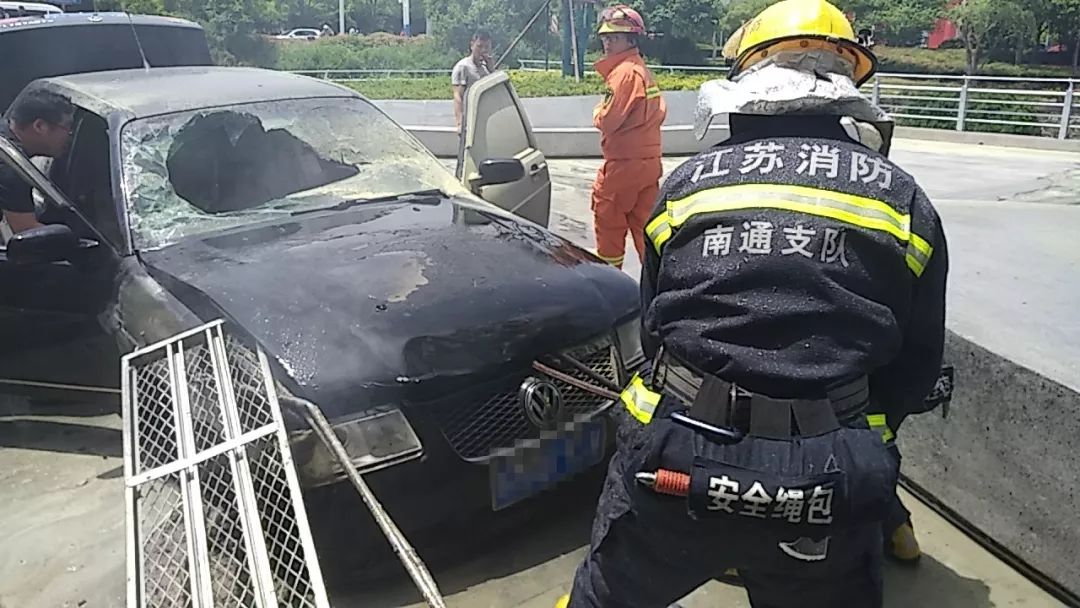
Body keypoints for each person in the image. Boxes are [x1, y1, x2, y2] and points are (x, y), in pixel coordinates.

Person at [556, 0, 948, 606]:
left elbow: (655, 327)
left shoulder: (688, 184)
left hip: (677, 455)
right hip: (827, 475)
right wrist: (855, 433)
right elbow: (916, 362)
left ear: (747, 82)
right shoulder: (902, 199)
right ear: (846, 89)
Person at [589, 5, 665, 269]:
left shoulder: (624, 74)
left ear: (631, 40)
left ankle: (611, 283)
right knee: (648, 232)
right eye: (605, 37)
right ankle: (657, 285)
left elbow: (608, 121)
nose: (607, 43)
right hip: (646, 165)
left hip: (623, 167)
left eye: (615, 38)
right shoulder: (640, 70)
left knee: (608, 222)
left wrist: (597, 112)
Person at [0, 89, 74, 235]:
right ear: (39, 126)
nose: (70, 136)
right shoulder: (12, 167)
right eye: (67, 127)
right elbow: (27, 231)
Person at [451, 30, 493, 133]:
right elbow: (458, 96)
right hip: (469, 121)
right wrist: (460, 123)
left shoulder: (486, 68)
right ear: (472, 46)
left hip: (485, 120)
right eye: (479, 46)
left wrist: (492, 69)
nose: (483, 50)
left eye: (486, 47)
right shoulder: (463, 67)